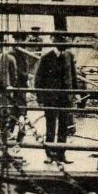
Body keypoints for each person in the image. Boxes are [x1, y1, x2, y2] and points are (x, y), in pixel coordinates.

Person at [34, 35, 77, 163]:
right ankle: (50, 155)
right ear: (56, 43)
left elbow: (73, 76)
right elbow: (38, 80)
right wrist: (40, 98)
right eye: (60, 42)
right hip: (51, 99)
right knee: (50, 127)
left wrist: (76, 92)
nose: (63, 45)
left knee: (64, 126)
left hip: (65, 98)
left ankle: (61, 154)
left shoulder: (69, 56)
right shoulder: (46, 58)